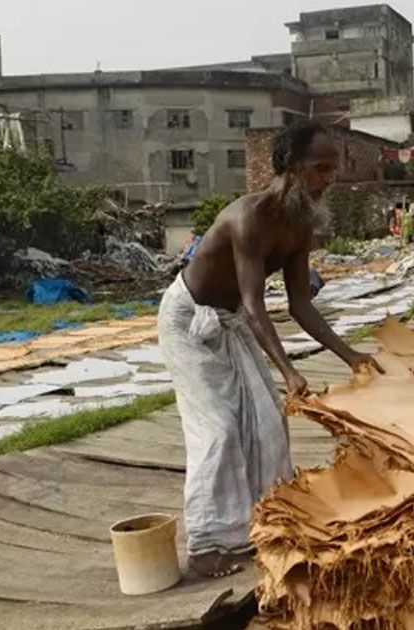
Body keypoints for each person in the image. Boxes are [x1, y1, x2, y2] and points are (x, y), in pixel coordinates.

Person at [157, 121, 383, 579]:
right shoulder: (248, 218)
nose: (329, 180)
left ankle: (261, 525)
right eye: (321, 169)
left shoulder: (300, 225)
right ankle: (205, 547)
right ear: (291, 168)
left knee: (265, 423)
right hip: (188, 321)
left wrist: (352, 356)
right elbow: (255, 303)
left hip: (231, 322)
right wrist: (289, 373)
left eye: (332, 170)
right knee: (217, 430)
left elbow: (300, 304)